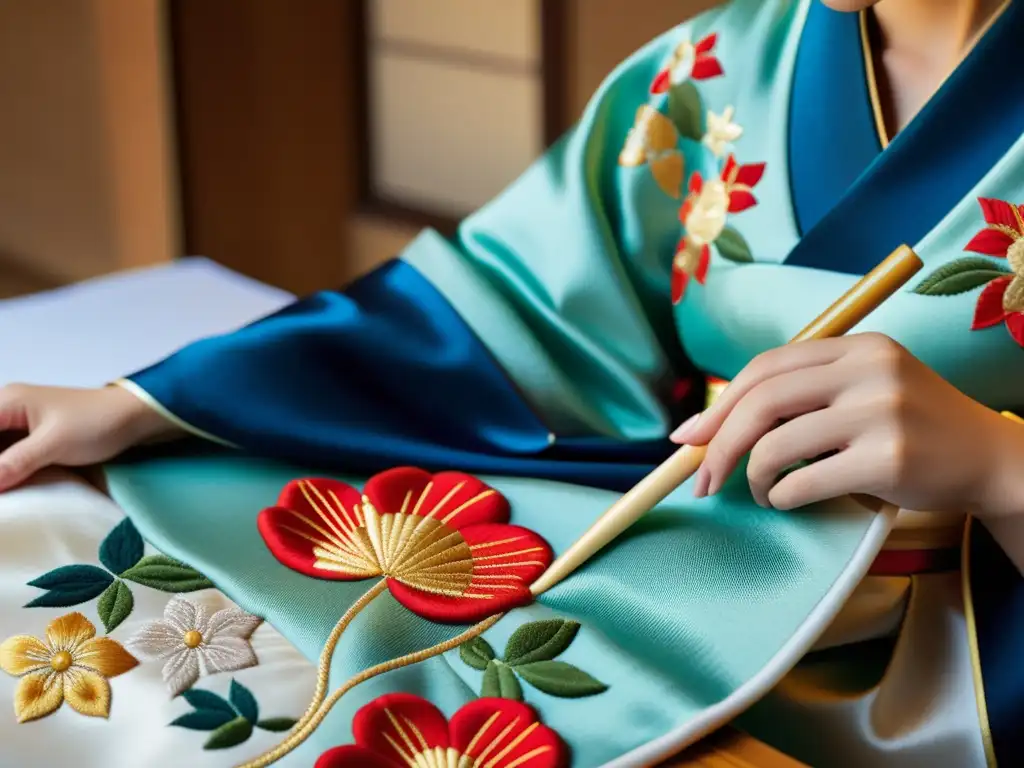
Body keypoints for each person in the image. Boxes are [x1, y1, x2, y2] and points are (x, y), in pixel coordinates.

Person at [1, 0, 1022, 765]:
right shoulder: (722, 66)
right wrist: (153, 401)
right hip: (683, 597)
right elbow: (499, 308)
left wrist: (996, 462)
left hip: (967, 674)